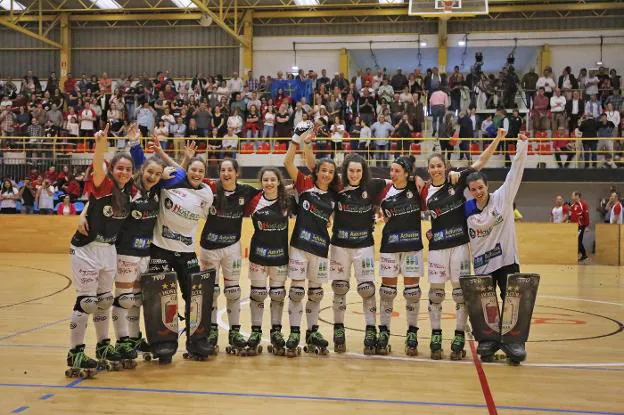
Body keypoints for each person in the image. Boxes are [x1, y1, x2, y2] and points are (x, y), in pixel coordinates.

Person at [130, 137, 215, 362]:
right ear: (187, 171)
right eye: (193, 170)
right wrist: (136, 146)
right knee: (161, 298)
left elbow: (184, 174)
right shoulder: (169, 182)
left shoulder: (206, 193)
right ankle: (163, 344)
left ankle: (197, 343)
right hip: (161, 249)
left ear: (204, 174)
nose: (196, 173)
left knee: (194, 297)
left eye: (200, 171)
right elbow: (147, 170)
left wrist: (185, 159)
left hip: (187, 252)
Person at [422, 128, 503, 360]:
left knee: (460, 294)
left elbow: (480, 162)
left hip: (459, 245)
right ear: (428, 170)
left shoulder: (456, 180)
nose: (436, 169)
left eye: (439, 165)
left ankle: (459, 336)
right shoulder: (425, 192)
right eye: (432, 166)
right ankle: (436, 335)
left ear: (445, 167)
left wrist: (497, 139)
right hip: (437, 248)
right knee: (435, 294)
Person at [66, 125, 134, 376]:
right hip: (86, 249)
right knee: (88, 302)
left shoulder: (129, 191)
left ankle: (104, 346)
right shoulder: (103, 185)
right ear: (112, 170)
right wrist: (100, 145)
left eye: (128, 169)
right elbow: (97, 167)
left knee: (105, 300)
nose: (124, 172)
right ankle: (75, 352)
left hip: (109, 250)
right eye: (120, 168)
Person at [464, 132, 529, 362]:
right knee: (486, 306)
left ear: (486, 186)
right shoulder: (466, 210)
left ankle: (515, 342)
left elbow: (515, 173)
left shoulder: (503, 197)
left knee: (512, 301)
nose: (478, 192)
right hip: (482, 266)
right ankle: (488, 341)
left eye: (480, 187)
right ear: (469, 191)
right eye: (473, 189)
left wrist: (521, 146)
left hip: (507, 260)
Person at [320, 152, 387, 354]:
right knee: (339, 288)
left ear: (363, 171)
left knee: (367, 289)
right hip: (339, 246)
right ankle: (338, 329)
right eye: (351, 170)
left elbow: (400, 179)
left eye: (359, 170)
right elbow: (317, 174)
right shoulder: (336, 186)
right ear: (345, 171)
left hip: (364, 246)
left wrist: (416, 178)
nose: (355, 174)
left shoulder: (373, 185)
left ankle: (370, 329)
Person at [282, 118, 338, 357]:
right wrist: (298, 140)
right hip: (299, 247)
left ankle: (313, 330)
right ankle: (294, 331)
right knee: (296, 291)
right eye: (323, 170)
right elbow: (287, 162)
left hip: (320, 248)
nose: (326, 174)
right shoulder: (304, 183)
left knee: (316, 292)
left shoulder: (336, 194)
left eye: (330, 172)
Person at [198, 159, 260, 354]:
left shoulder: (246, 191)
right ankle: (211, 331)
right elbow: (188, 175)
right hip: (209, 247)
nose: (226, 173)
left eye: (229, 170)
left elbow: (272, 190)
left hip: (232, 247)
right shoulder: (210, 188)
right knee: (212, 291)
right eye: (223, 170)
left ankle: (234, 332)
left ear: (236, 173)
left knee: (233, 291)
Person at [376, 155, 430, 356]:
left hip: (412, 246)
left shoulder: (416, 188)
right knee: (387, 293)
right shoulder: (384, 190)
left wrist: (418, 178)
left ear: (407, 173)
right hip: (390, 246)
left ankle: (412, 333)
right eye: (391, 170)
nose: (393, 173)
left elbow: (430, 190)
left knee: (412, 293)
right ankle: (384, 332)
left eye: (397, 170)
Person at [244, 167, 290, 355]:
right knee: (258, 294)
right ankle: (255, 331)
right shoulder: (253, 200)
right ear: (261, 182)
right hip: (258, 256)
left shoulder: (288, 201)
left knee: (278, 295)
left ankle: (276, 332)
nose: (269, 183)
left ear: (279, 181)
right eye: (265, 180)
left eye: (273, 180)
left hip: (279, 256)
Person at [570, 191, 590, 262]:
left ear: (577, 196)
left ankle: (584, 255)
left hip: (581, 226)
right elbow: (571, 216)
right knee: (577, 240)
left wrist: (587, 226)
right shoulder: (572, 205)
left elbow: (586, 216)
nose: (572, 197)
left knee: (578, 240)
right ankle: (582, 254)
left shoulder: (583, 204)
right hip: (573, 226)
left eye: (573, 195)